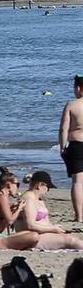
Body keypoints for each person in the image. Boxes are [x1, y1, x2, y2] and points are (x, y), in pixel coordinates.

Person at [62, 74, 83, 223]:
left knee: (78, 182)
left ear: (78, 88)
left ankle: (79, 216)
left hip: (77, 145)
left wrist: (63, 146)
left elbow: (64, 128)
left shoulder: (72, 105)